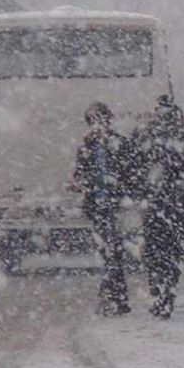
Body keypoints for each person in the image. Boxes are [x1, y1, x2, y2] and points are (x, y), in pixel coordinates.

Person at [127, 94, 184, 318]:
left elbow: (133, 174)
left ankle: (168, 296)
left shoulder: (151, 144)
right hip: (179, 210)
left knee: (168, 258)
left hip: (170, 209)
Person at [72, 102, 131, 316]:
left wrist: (120, 188)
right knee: (109, 251)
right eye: (92, 121)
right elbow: (79, 174)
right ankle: (115, 296)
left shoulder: (120, 144)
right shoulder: (86, 147)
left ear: (108, 120)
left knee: (113, 251)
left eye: (100, 120)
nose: (97, 125)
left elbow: (131, 173)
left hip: (117, 207)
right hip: (98, 206)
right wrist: (84, 184)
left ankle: (113, 296)